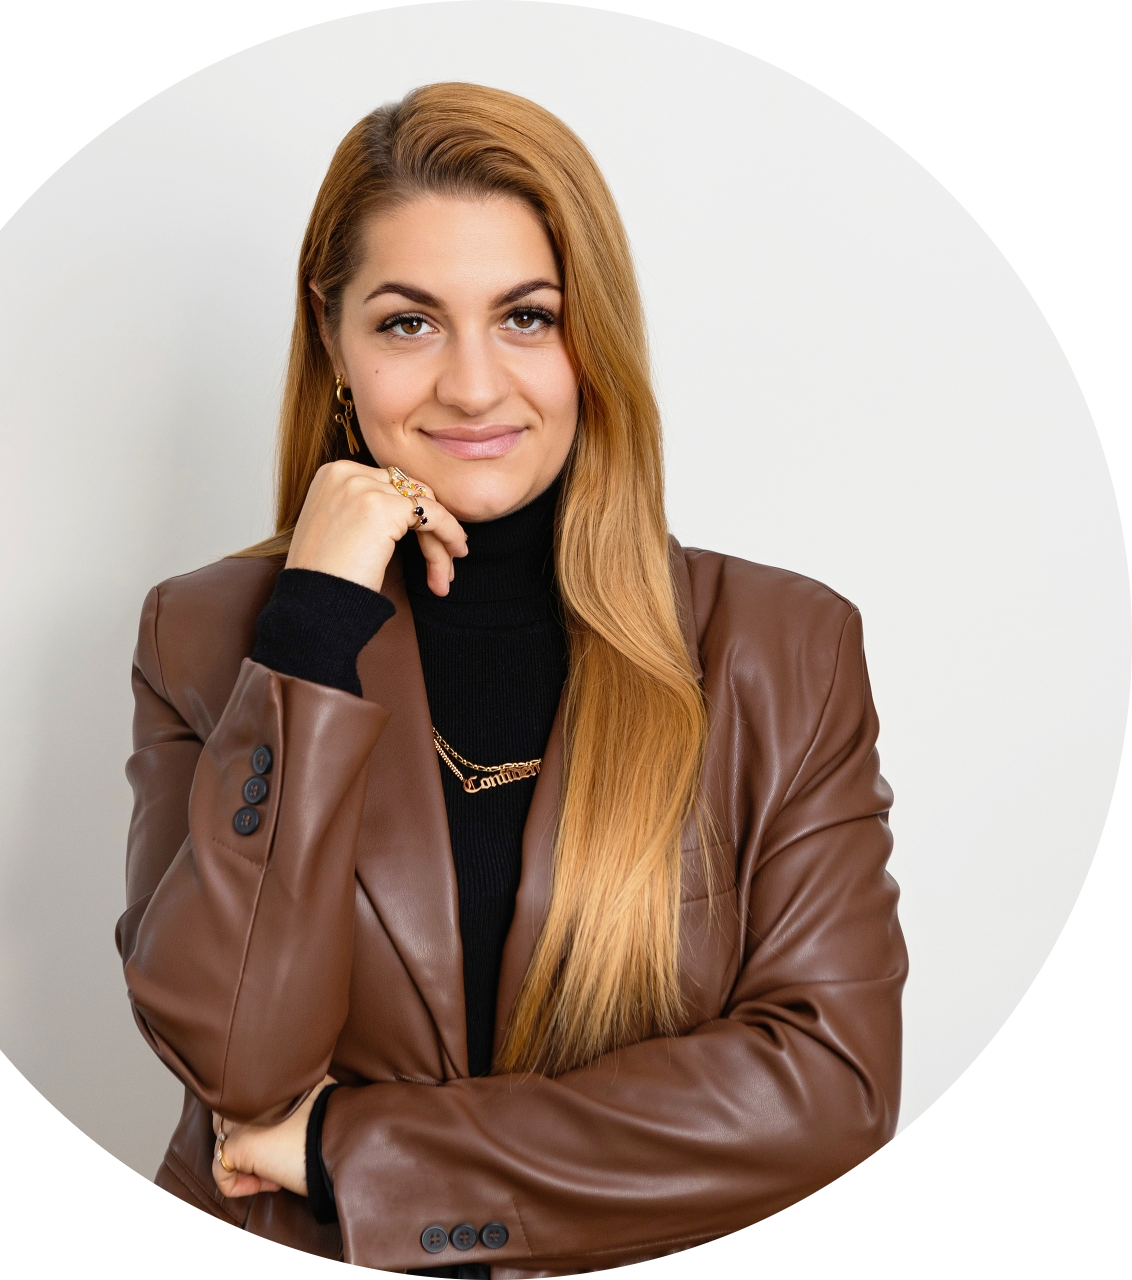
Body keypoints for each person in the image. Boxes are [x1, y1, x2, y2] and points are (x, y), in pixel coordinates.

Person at [118, 82, 906, 1273]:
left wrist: (349, 1148)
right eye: (408, 323)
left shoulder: (779, 645)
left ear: (592, 338)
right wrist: (311, 630)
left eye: (526, 317)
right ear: (332, 340)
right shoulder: (205, 632)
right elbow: (234, 1056)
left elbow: (828, 1091)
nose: (474, 386)